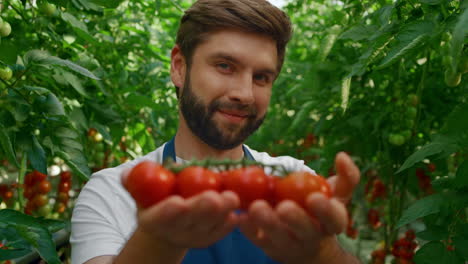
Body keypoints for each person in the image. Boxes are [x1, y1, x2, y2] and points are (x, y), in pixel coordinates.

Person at [70, 0, 361, 263]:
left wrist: (321, 253)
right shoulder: (114, 192)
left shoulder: (293, 180)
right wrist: (158, 243)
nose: (245, 94)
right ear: (180, 67)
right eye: (225, 66)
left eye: (261, 77)